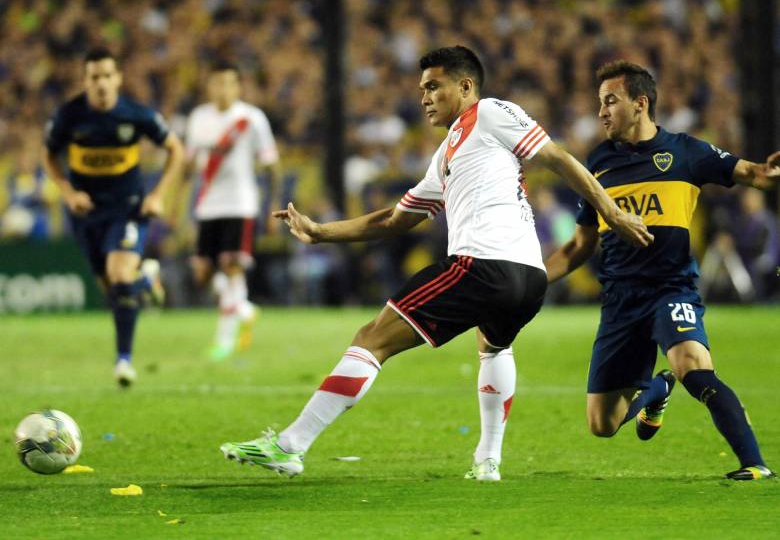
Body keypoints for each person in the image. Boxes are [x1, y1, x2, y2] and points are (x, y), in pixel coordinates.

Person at [220, 46, 651, 480]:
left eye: (433, 87)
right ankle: (488, 462)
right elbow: (394, 218)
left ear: (465, 86)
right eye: (422, 89)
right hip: (529, 279)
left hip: (482, 265)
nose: (424, 97)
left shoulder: (491, 112)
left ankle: (291, 444)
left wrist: (611, 212)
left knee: (373, 338)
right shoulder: (448, 152)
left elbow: (556, 158)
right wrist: (319, 232)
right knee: (494, 345)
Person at [545, 60, 778, 480]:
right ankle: (657, 388)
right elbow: (580, 245)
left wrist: (769, 172)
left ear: (640, 104)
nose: (600, 111)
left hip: (672, 287)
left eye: (610, 101)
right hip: (619, 299)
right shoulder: (598, 163)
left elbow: (753, 174)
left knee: (694, 364)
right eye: (599, 102)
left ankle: (754, 464)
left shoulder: (688, 151)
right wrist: (532, 279)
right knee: (602, 424)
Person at [43, 47, 184, 387]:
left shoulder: (136, 114)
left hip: (128, 206)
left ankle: (124, 361)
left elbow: (175, 149)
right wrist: (68, 192)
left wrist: (157, 195)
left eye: (107, 76)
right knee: (111, 289)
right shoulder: (69, 116)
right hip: (86, 211)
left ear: (118, 78)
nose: (102, 84)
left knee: (119, 277)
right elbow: (50, 155)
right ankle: (147, 279)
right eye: (95, 77)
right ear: (86, 80)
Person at [183, 61, 279, 360]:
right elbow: (188, 167)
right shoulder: (198, 118)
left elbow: (271, 163)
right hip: (207, 205)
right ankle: (244, 308)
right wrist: (180, 206)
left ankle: (224, 339)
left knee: (231, 266)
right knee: (202, 274)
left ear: (238, 87)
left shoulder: (251, 118)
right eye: (216, 83)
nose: (221, 89)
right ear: (208, 86)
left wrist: (272, 204)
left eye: (227, 83)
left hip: (240, 203)